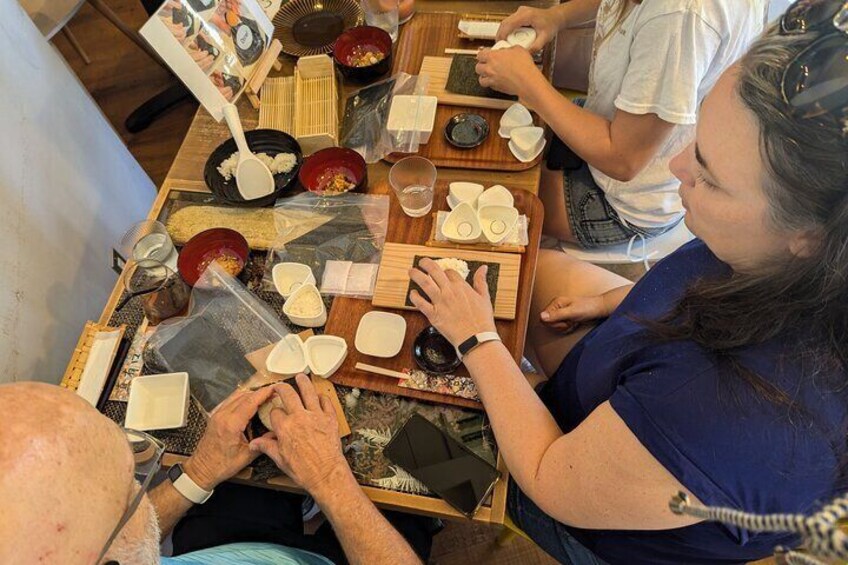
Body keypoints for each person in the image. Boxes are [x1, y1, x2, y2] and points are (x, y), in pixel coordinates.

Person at [409, 3, 848, 562]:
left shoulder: (739, 417)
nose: (676, 167)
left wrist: (477, 341)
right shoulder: (790, 257)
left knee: (403, 442)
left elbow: (550, 477)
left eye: (709, 177)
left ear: (809, 235)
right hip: (622, 373)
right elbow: (703, 277)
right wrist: (617, 300)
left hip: (573, 496)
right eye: (698, 145)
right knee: (516, 264)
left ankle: (431, 506)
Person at [0, 375, 428, 564]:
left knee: (238, 487)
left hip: (217, 552)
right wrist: (330, 479)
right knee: (412, 504)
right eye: (133, 489)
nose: (146, 495)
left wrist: (199, 472)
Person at [478, 0, 766, 248]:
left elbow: (623, 160)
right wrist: (557, 17)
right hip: (614, 129)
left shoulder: (678, 18)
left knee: (484, 198)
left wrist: (528, 82)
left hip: (621, 199)